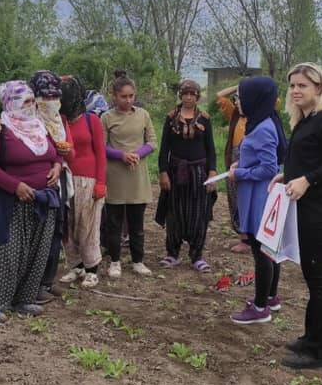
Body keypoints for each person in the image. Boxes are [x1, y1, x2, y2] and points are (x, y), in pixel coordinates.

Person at [273, 62, 322, 370]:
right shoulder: (305, 120)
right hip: (307, 206)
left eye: (302, 85)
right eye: (292, 85)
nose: (295, 90)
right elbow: (309, 160)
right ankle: (311, 337)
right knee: (311, 274)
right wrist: (287, 176)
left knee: (319, 277)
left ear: (319, 89)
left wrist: (307, 180)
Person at [0, 81, 61, 325]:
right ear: (11, 103)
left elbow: (54, 153)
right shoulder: (0, 130)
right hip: (11, 201)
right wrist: (15, 186)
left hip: (43, 199)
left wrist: (57, 167)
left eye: (32, 100)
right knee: (8, 252)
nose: (31, 105)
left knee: (38, 249)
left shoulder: (39, 126)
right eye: (25, 101)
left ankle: (24, 298)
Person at [228, 77, 288, 324]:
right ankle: (271, 297)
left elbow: (269, 168)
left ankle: (260, 307)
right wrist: (240, 163)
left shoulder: (263, 128)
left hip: (260, 198)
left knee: (261, 251)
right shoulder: (262, 122)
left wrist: (239, 173)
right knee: (269, 250)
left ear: (254, 99)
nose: (237, 102)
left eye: (240, 97)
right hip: (260, 196)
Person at [157, 79, 218, 272]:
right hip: (176, 172)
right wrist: (163, 172)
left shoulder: (205, 119)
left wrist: (212, 172)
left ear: (198, 97)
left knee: (198, 213)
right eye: (185, 93)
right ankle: (172, 253)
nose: (189, 97)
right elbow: (164, 148)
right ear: (180, 96)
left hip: (199, 172)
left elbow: (211, 149)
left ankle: (197, 255)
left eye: (193, 94)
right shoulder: (171, 117)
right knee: (174, 212)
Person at [101, 71, 156, 278]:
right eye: (123, 96)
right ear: (114, 96)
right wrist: (121, 155)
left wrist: (137, 154)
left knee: (137, 223)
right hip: (115, 175)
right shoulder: (106, 118)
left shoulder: (143, 115)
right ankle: (115, 261)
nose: (128, 100)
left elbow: (152, 142)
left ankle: (138, 261)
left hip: (137, 176)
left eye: (131, 96)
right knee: (114, 222)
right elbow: (102, 146)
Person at [58, 76, 107, 289]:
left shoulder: (91, 120)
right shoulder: (59, 121)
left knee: (87, 225)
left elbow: (101, 154)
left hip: (89, 180)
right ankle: (75, 265)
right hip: (66, 178)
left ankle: (91, 269)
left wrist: (101, 183)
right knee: (67, 225)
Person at [30, 70, 74, 304]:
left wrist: (64, 154)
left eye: (54, 97)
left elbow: (70, 150)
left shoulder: (59, 119)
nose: (50, 102)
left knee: (57, 231)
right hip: (41, 182)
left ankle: (47, 280)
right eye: (45, 97)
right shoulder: (29, 118)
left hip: (61, 177)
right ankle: (33, 283)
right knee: (39, 233)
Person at [216, 84, 250, 254]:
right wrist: (239, 86)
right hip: (235, 159)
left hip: (251, 162)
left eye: (240, 99)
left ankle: (252, 238)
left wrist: (250, 87)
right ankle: (243, 237)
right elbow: (220, 95)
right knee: (236, 198)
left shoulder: (261, 117)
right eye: (236, 99)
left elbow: (274, 98)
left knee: (250, 198)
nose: (237, 102)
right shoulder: (235, 115)